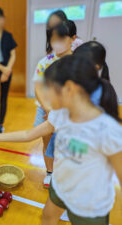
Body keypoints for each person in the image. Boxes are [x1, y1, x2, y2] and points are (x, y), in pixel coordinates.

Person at [0, 55, 122, 225]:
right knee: (47, 217)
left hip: (90, 205)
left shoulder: (109, 131)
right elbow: (28, 135)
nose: (48, 98)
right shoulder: (61, 115)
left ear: (69, 88)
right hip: (61, 187)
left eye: (51, 90)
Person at [33, 20, 75, 188]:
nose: (57, 43)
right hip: (45, 110)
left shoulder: (78, 63)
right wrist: (48, 108)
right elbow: (38, 88)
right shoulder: (45, 61)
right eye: (53, 39)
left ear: (72, 38)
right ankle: (50, 172)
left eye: (61, 38)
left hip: (68, 113)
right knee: (47, 142)